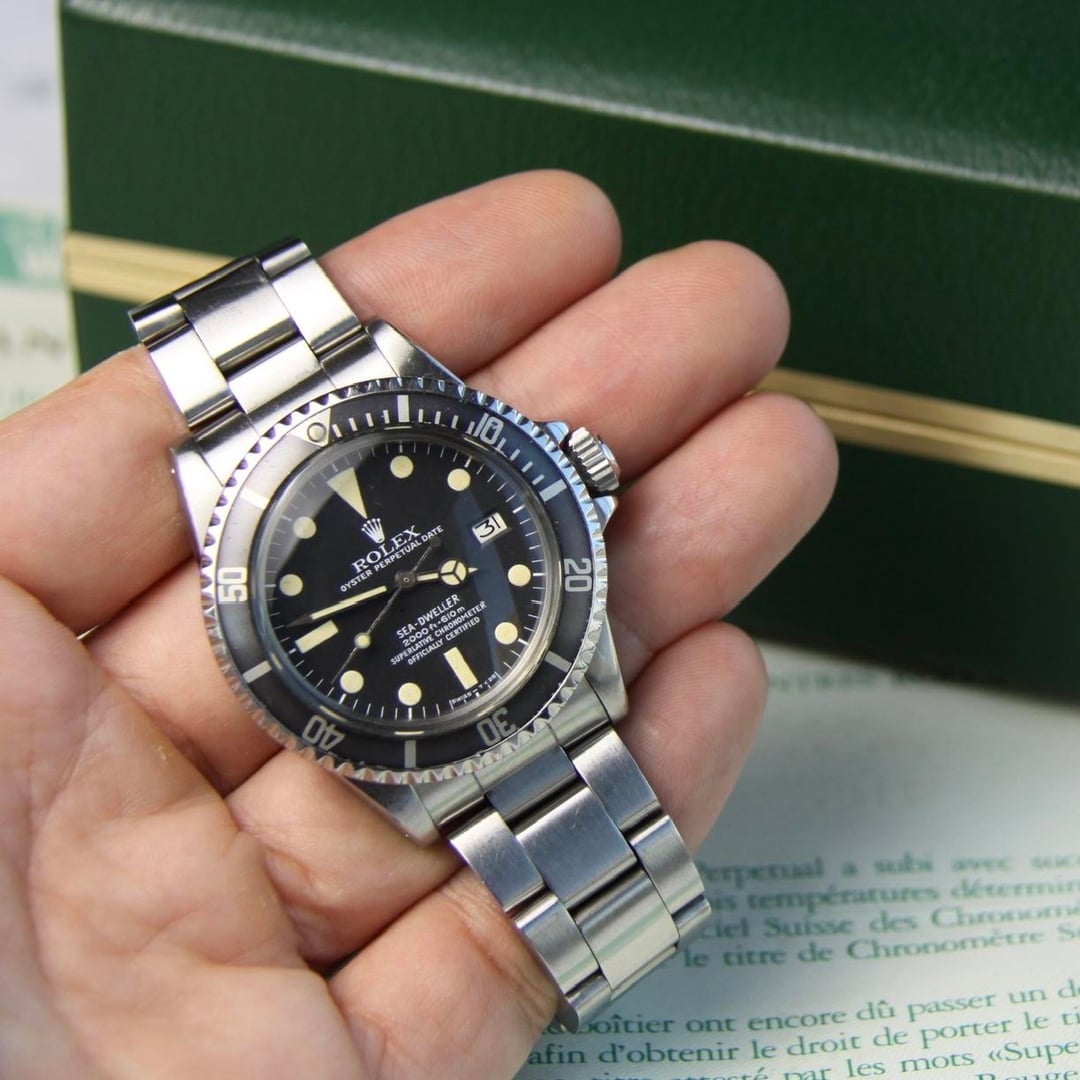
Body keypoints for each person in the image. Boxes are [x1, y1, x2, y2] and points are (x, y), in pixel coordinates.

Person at [0, 171, 836, 1078]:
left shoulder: (393, 395)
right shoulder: (222, 497)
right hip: (429, 731)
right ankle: (607, 931)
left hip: (501, 677)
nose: (401, 581)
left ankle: (612, 926)